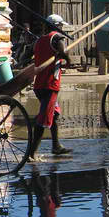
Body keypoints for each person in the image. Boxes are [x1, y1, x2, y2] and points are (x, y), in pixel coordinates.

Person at [23, 14, 73, 161]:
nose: (62, 28)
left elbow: (27, 56)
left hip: (39, 85)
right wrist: (68, 60)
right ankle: (31, 153)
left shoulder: (39, 41)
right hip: (50, 85)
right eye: (61, 26)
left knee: (54, 115)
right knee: (43, 120)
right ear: (57, 26)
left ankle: (56, 146)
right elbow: (63, 52)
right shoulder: (57, 38)